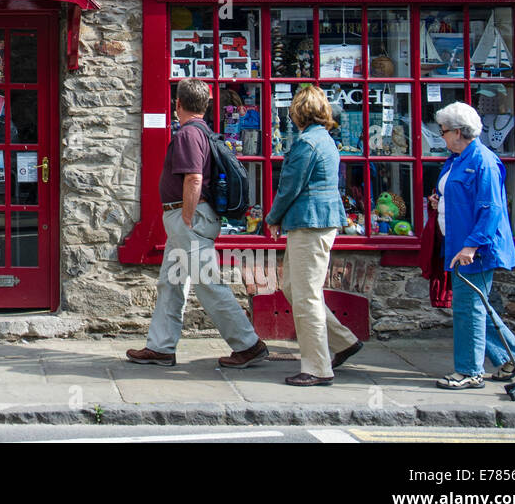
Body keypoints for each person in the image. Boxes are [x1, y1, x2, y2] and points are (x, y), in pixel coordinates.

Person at [127, 78, 268, 368]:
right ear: (206, 105)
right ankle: (161, 346)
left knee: (207, 282)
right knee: (171, 282)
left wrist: (187, 217)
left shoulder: (188, 135)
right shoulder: (202, 131)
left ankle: (248, 344)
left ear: (177, 104)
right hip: (184, 217)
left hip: (187, 217)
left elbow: (193, 177)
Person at [432, 101, 515, 389]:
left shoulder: (483, 161)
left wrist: (472, 246)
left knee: (468, 309)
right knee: (478, 306)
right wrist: (440, 202)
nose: (441, 136)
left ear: (458, 132)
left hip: (473, 249)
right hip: (459, 245)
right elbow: (461, 196)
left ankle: (469, 372)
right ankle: (514, 357)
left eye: (443, 131)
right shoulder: (458, 158)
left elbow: (491, 208)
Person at [264, 85, 362, 386]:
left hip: (310, 222)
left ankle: (317, 367)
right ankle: (344, 341)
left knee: (305, 294)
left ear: (298, 112)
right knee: (295, 288)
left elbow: (289, 187)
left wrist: (272, 218)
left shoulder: (307, 144)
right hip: (317, 221)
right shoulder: (326, 140)